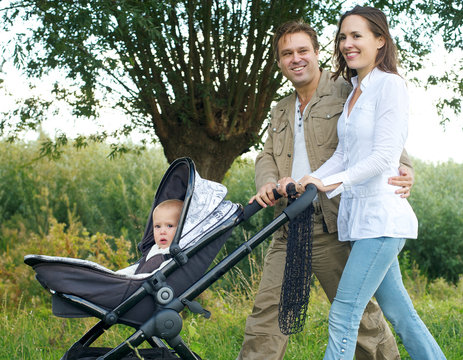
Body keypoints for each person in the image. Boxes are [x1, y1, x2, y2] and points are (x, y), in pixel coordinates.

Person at [237, 19, 415, 360]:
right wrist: (266, 182)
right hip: (287, 223)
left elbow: (383, 135)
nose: (296, 59)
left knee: (359, 318)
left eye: (303, 50)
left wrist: (406, 167)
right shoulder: (280, 109)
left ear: (317, 53)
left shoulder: (347, 89)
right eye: (287, 54)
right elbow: (266, 157)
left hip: (332, 223)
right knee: (266, 316)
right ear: (279, 62)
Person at [292, 6, 446, 360]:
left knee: (344, 313)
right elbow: (345, 155)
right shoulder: (354, 91)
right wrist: (313, 180)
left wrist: (330, 184)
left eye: (357, 35)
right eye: (343, 37)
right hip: (363, 221)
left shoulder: (390, 86)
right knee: (402, 315)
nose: (348, 43)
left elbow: (381, 157)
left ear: (380, 40)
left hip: (383, 219)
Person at [117, 199, 183, 275]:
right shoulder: (154, 248)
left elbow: (154, 276)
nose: (162, 232)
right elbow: (139, 267)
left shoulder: (172, 256)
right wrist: (117, 275)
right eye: (157, 226)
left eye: (169, 226)